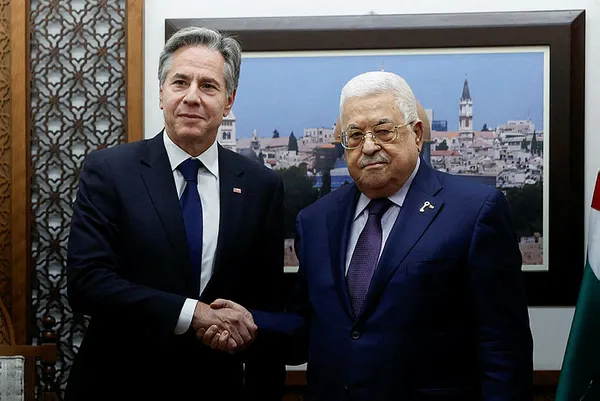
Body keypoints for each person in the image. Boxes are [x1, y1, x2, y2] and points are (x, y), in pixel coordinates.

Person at [206, 71, 533, 401]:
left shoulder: (473, 212)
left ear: (417, 134)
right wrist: (249, 325)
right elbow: (309, 329)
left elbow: (503, 348)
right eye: (355, 135)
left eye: (383, 131)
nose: (369, 146)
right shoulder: (317, 220)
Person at [65, 26, 285, 401]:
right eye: (180, 82)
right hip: (117, 384)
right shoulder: (110, 171)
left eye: (208, 86)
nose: (192, 97)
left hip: (216, 388)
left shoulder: (261, 186)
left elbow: (265, 306)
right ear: (161, 92)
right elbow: (86, 284)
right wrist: (191, 313)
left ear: (228, 101)